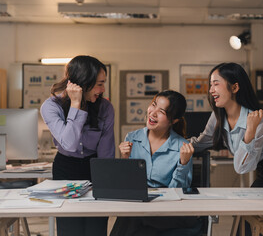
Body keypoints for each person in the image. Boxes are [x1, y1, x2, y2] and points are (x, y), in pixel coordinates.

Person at [190, 62, 263, 236]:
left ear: (235, 87)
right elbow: (201, 142)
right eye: (211, 85)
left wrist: (250, 132)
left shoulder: (257, 120)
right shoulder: (217, 115)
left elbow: (242, 168)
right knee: (247, 216)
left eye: (216, 84)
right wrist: (173, 144)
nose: (211, 90)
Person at [110, 90, 202, 236]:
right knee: (133, 219)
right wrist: (125, 159)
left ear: (174, 120)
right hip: (140, 206)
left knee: (131, 223)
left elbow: (178, 192)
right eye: (153, 105)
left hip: (167, 208)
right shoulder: (132, 138)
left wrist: (183, 164)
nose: (152, 113)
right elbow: (127, 186)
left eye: (162, 111)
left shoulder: (182, 146)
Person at [40, 55, 115, 236]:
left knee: (96, 228)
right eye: (99, 84)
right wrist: (76, 105)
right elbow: (69, 144)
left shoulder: (105, 107)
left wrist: (108, 184)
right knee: (69, 227)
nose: (103, 89)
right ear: (83, 83)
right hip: (66, 167)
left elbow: (106, 152)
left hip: (95, 167)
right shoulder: (51, 106)